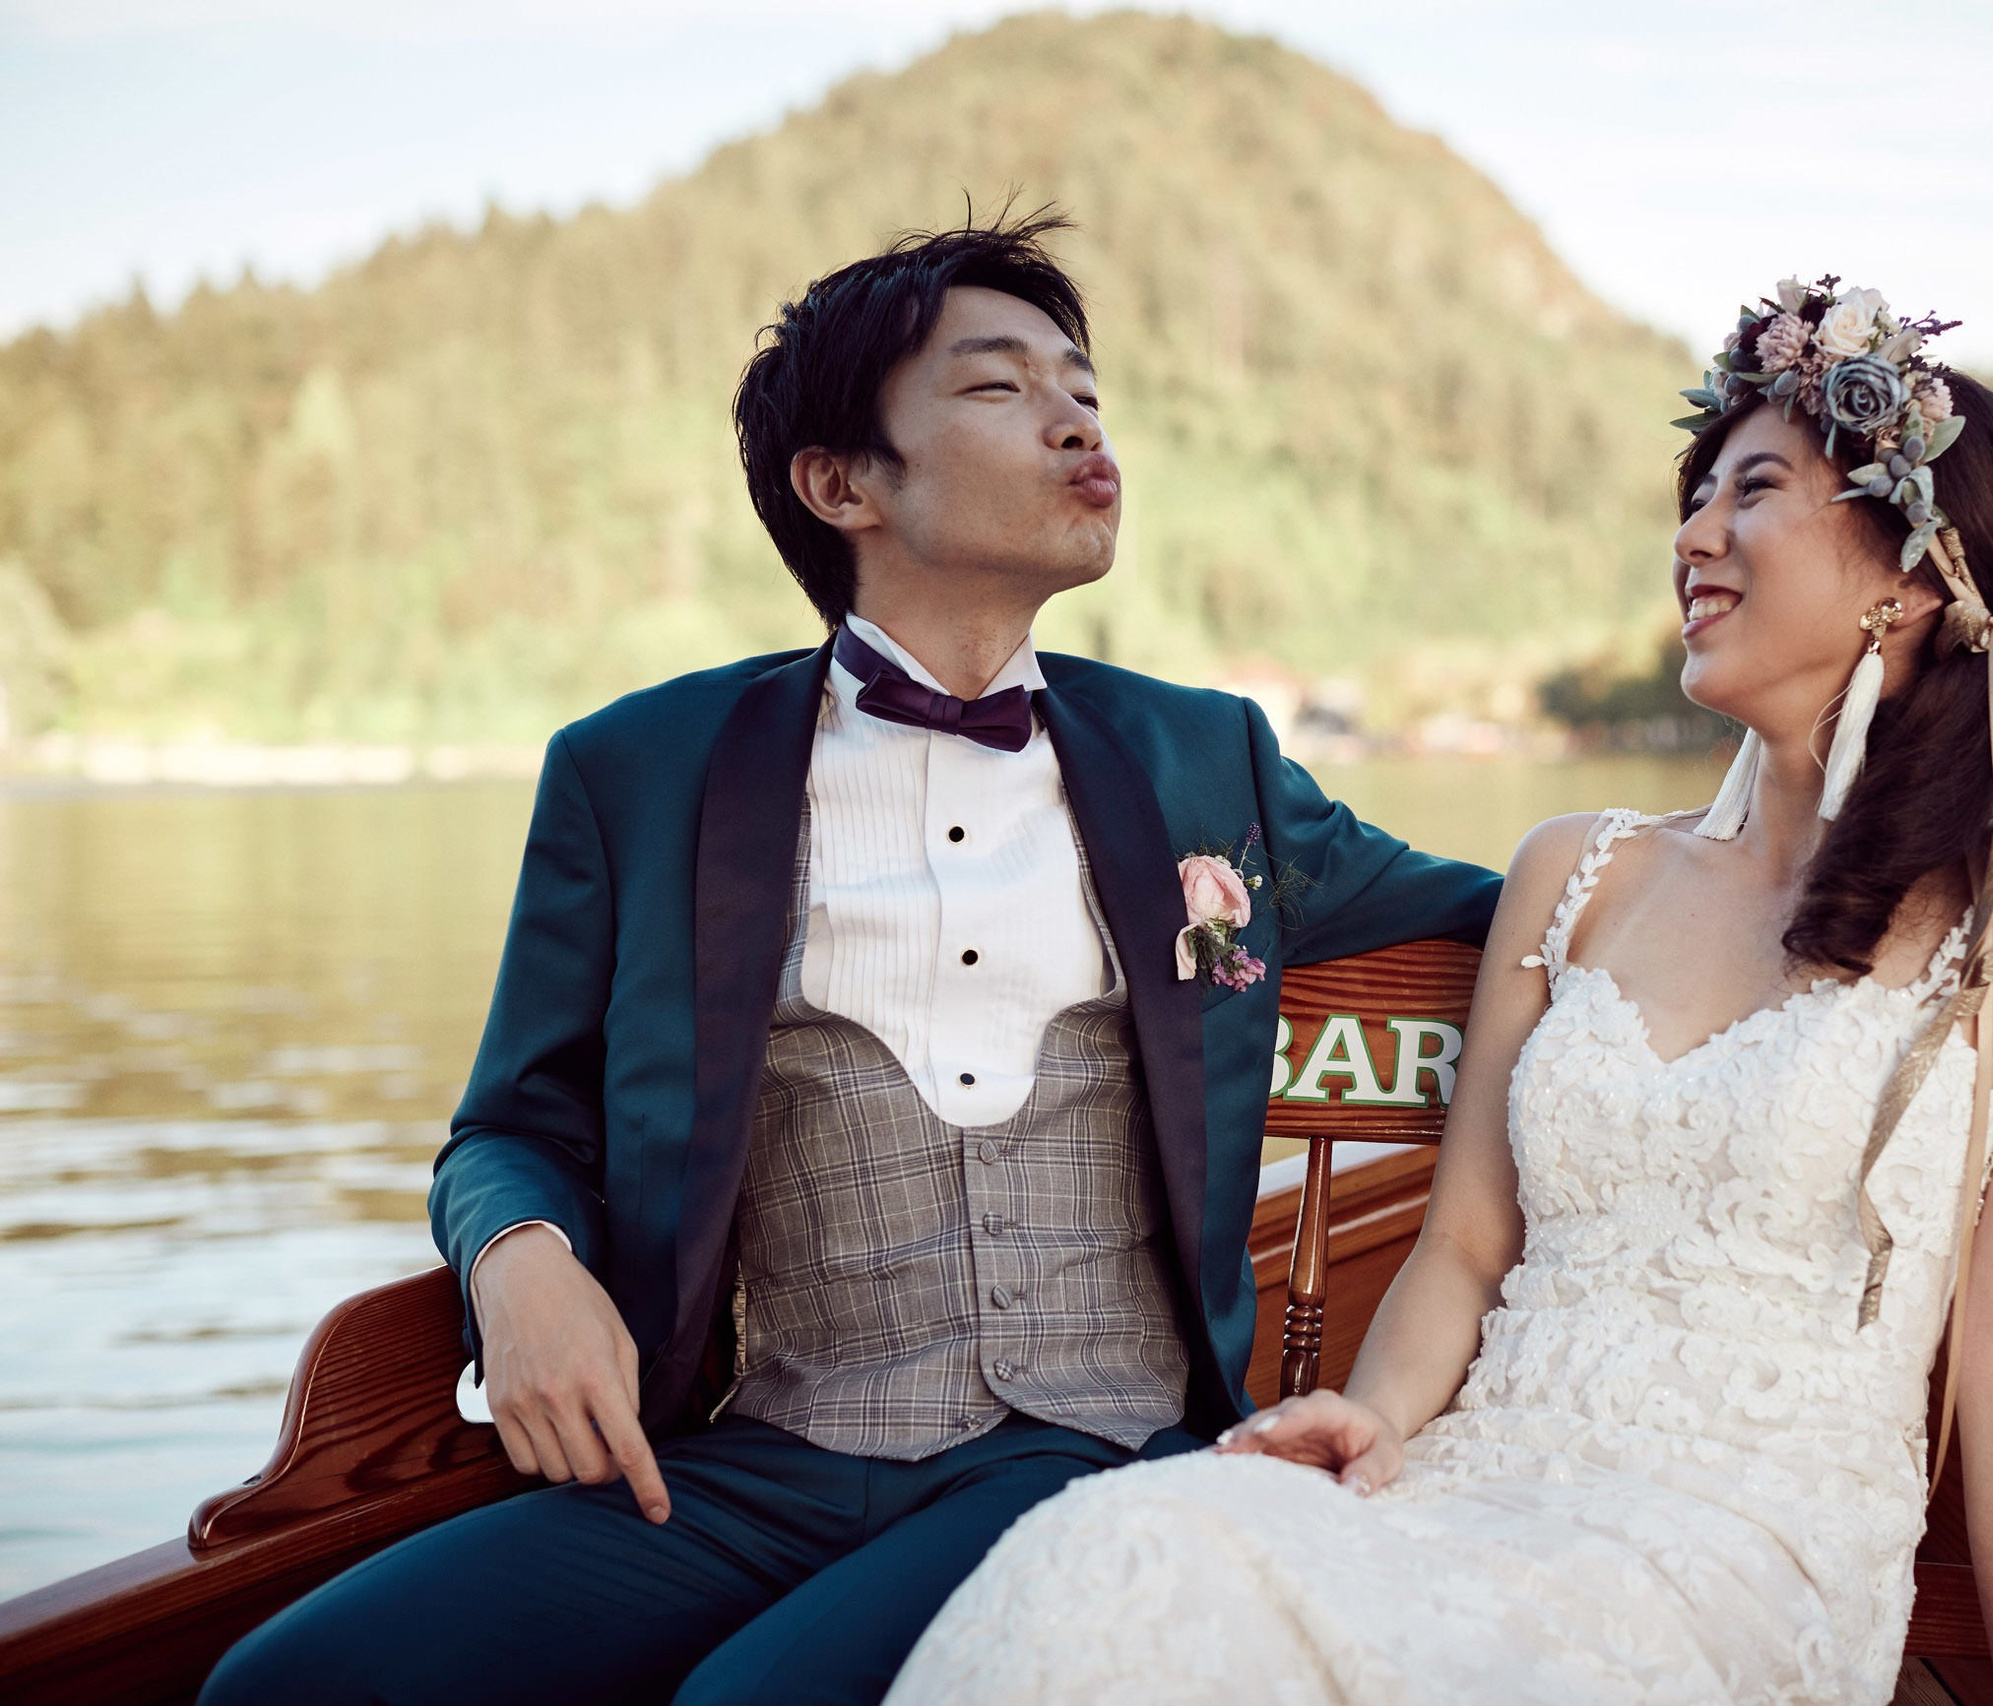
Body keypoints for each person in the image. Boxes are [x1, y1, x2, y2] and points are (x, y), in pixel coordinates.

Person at [198, 214, 1504, 1705]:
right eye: (1000, 387)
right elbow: (510, 1123)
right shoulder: (637, 769)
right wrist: (518, 1258)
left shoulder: (1205, 757)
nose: (1078, 418)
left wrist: (1801, 846)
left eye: (1084, 386)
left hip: (1091, 1453)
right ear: (841, 484)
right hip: (758, 1460)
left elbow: (1523, 900)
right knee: (283, 1682)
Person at [889, 279, 1993, 1706]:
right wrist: (1364, 1422)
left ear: (1911, 569)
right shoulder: (1578, 872)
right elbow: (1461, 1247)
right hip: (1467, 1479)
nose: (1691, 537)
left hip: (1739, 1550)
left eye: (1752, 491)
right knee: (1113, 1553)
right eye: (1695, 499)